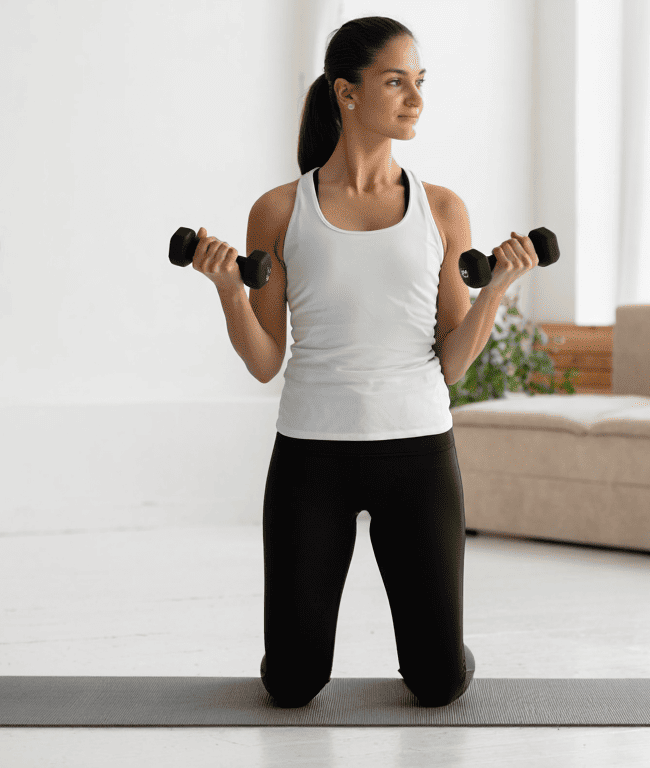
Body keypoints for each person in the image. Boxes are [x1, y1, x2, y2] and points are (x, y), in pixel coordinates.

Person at [192, 16, 536, 708]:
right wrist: (231, 292)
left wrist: (494, 291)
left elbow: (453, 364)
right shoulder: (280, 210)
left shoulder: (441, 209)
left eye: (420, 82)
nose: (415, 98)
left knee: (438, 684)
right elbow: (265, 363)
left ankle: (443, 643)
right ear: (347, 94)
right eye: (395, 82)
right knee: (291, 684)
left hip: (418, 454)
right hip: (311, 457)